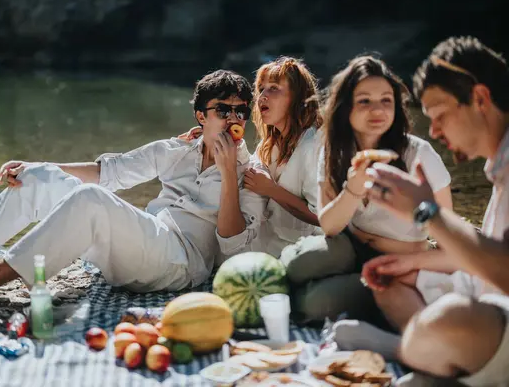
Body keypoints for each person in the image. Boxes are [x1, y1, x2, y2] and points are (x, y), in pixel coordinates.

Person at [0, 70, 265, 323]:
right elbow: (110, 172)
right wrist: (39, 164)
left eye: (240, 110)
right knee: (37, 179)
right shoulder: (177, 150)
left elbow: (233, 249)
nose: (234, 118)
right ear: (201, 116)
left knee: (91, 201)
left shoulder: (250, 173)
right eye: (223, 109)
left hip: (180, 264)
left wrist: (229, 173)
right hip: (143, 241)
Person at [354, 36, 509, 386]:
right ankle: (434, 353)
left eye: (439, 116)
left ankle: (402, 349)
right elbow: (490, 254)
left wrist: (426, 212)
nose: (435, 132)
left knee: (451, 319)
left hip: (497, 309)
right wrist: (412, 262)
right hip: (488, 296)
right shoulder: (498, 167)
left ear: (480, 99)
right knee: (391, 279)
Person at [280, 55, 453, 323]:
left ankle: (355, 295)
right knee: (295, 267)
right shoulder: (333, 152)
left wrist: (411, 267)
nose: (377, 110)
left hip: (397, 264)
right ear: (345, 107)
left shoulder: (419, 155)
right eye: (365, 101)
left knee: (309, 305)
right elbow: (329, 226)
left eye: (386, 100)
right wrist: (353, 189)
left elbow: (450, 243)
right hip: (349, 247)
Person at [179, 57, 324, 257]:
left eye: (273, 88)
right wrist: (210, 134)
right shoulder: (270, 144)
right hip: (267, 242)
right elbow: (245, 168)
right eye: (261, 88)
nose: (262, 96)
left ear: (298, 97)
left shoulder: (313, 146)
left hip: (304, 249)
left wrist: (271, 189)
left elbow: (323, 217)